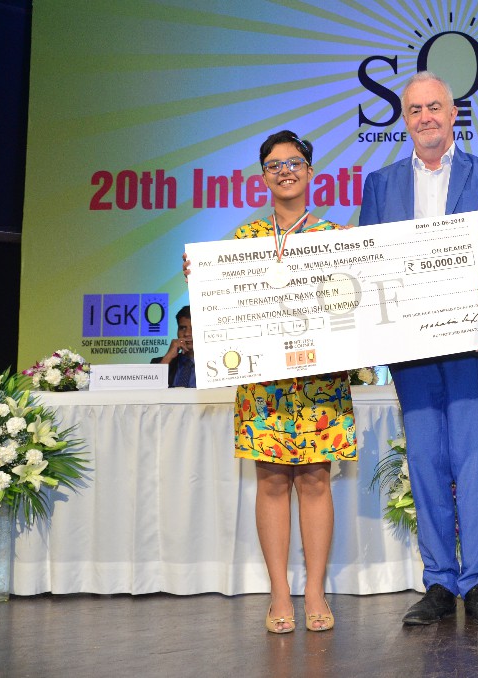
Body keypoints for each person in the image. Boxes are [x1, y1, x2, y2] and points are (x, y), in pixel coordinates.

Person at [184, 130, 357, 634]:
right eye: (275, 165)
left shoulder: (335, 237)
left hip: (320, 379)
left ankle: (316, 592)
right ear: (263, 177)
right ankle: (279, 593)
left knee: (316, 479)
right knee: (272, 480)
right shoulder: (243, 241)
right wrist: (201, 279)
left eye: (295, 162)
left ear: (311, 172)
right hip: (264, 382)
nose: (286, 171)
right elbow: (224, 304)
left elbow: (352, 304)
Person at [359, 71, 478, 626]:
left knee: (473, 457)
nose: (425, 117)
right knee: (424, 459)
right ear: (405, 120)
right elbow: (368, 263)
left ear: (453, 114)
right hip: (411, 346)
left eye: (434, 107)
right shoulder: (379, 184)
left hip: (474, 342)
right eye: (414, 110)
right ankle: (439, 582)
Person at [151, 305, 197, 387]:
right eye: (182, 328)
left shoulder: (217, 365)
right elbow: (149, 389)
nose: (187, 333)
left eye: (193, 328)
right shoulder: (161, 363)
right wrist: (168, 357)